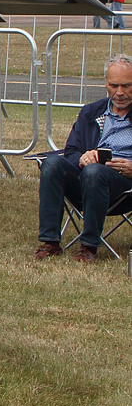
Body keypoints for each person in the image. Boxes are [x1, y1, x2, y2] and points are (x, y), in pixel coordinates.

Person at [36, 54, 132, 262]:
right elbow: (70, 152)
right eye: (114, 85)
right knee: (52, 163)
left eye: (126, 86)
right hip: (86, 179)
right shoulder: (91, 112)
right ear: (105, 83)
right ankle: (50, 242)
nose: (120, 92)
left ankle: (88, 247)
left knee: (95, 172)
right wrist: (83, 159)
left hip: (125, 186)